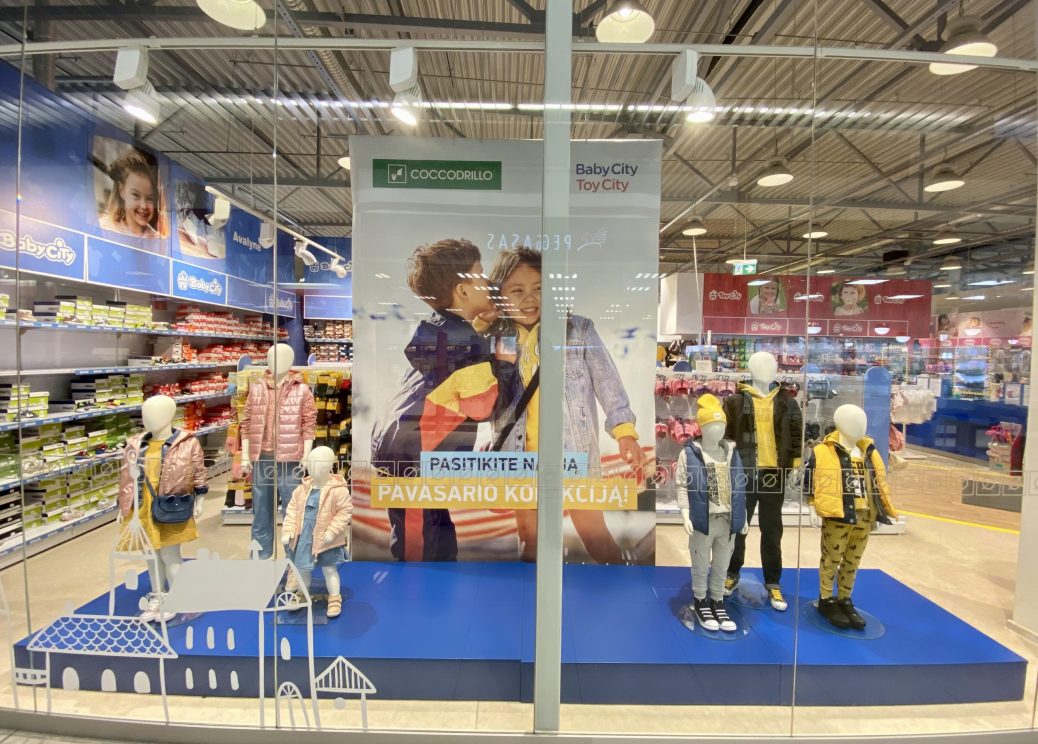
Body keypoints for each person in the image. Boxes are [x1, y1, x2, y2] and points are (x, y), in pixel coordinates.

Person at [486, 247, 645, 563]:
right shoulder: (495, 338)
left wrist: (625, 432)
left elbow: (608, 383)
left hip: (573, 455)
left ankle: (615, 583)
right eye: (517, 291)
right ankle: (530, 591)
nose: (529, 298)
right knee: (529, 538)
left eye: (539, 288)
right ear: (500, 296)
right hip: (518, 457)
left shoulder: (578, 330)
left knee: (594, 532)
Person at [370, 238, 516, 562]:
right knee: (421, 544)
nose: (488, 281)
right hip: (415, 459)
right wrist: (505, 361)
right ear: (462, 290)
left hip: (401, 447)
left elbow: (455, 370)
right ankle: (415, 591)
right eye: (480, 274)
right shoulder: (466, 345)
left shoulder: (441, 330)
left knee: (433, 530)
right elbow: (482, 407)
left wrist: (483, 327)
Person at [99, 149, 162, 238]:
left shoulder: (157, 239)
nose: (144, 206)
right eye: (136, 195)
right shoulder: (105, 228)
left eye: (149, 198)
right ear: (121, 191)